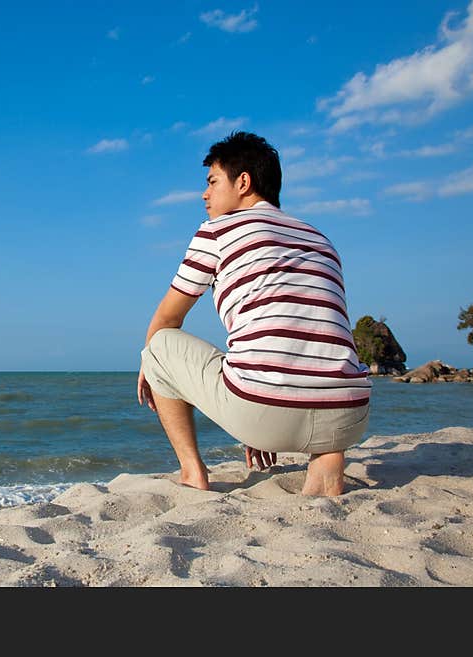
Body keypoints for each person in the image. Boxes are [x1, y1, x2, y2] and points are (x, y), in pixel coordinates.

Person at [137, 131, 371, 496]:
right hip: (348, 415)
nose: (205, 194)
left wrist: (149, 366)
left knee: (159, 346)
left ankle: (191, 473)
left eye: (212, 182)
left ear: (243, 182)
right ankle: (326, 459)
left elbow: (167, 321)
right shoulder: (320, 240)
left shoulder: (217, 230)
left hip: (266, 409)